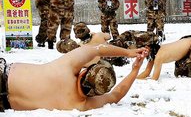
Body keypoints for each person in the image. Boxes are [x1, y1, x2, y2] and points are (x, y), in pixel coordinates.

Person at [0, 44, 148, 112]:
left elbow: (97, 49)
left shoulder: (66, 67)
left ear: (84, 72)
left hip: (4, 74)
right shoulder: (80, 104)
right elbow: (116, 95)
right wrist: (135, 70)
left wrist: (128, 53)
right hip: (4, 102)